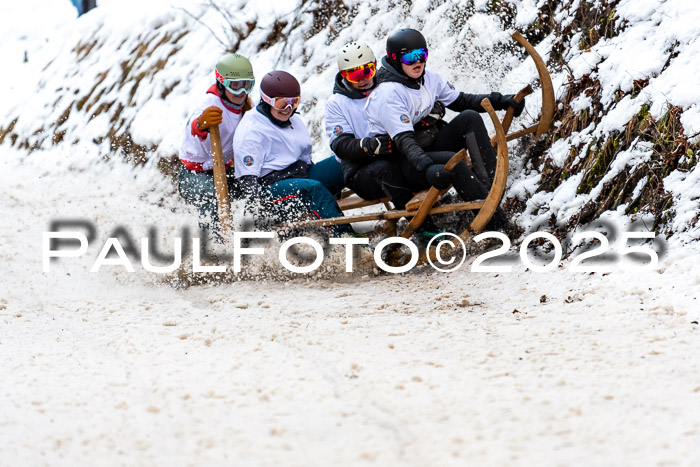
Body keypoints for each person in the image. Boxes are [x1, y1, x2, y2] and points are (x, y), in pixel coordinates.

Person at [365, 28, 525, 226]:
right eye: (410, 58)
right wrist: (427, 168)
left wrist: (500, 101)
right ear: (396, 59)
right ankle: (494, 222)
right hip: (404, 162)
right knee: (453, 161)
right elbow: (405, 142)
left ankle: (491, 193)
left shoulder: (428, 77)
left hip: (428, 145)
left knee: (470, 118)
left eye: (422, 55)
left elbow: (462, 100)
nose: (418, 62)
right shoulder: (388, 94)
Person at [233, 70, 353, 236]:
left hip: (301, 176)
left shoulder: (293, 120)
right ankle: (347, 238)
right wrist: (259, 216)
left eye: (294, 102)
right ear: (268, 101)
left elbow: (306, 160)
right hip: (270, 189)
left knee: (346, 161)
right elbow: (249, 183)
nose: (288, 108)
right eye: (282, 103)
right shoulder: (251, 130)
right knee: (314, 189)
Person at [325, 41, 417, 211]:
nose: (362, 79)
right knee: (383, 169)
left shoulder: (389, 85)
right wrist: (369, 146)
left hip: (396, 156)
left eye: (367, 71)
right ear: (343, 75)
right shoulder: (336, 103)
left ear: (375, 65)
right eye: (354, 76)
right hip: (360, 171)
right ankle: (421, 225)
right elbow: (341, 146)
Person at [178, 53, 255, 235]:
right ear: (222, 84)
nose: (241, 92)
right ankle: (211, 244)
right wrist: (201, 125)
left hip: (225, 171)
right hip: (193, 174)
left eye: (246, 85)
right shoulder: (210, 103)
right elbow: (193, 126)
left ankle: (252, 232)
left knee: (257, 186)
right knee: (213, 196)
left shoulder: (247, 106)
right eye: (235, 86)